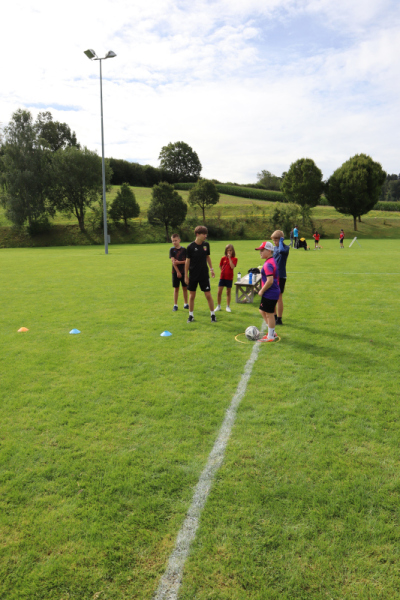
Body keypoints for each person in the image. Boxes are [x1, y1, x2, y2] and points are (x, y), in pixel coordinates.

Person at [185, 225, 216, 323]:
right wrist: (186, 276)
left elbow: (208, 257)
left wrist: (211, 269)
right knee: (192, 296)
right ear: (197, 234)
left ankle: (213, 315)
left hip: (204, 275)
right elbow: (187, 262)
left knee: (208, 295)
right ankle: (191, 316)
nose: (205, 236)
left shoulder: (206, 245)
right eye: (203, 234)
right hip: (193, 275)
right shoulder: (190, 247)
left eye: (206, 234)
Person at [255, 241, 280, 342]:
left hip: (270, 292)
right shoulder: (271, 261)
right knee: (262, 310)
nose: (260, 252)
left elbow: (270, 281)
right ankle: (271, 331)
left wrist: (261, 290)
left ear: (269, 251)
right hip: (272, 292)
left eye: (262, 250)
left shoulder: (268, 264)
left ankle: (270, 336)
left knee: (269, 314)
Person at [271, 230, 289, 326]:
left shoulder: (285, 248)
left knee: (279, 297)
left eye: (276, 240)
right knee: (272, 297)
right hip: (273, 276)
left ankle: (279, 319)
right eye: (273, 240)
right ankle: (274, 316)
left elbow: (281, 251)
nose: (274, 242)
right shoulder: (274, 249)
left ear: (281, 239)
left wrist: (281, 241)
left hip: (281, 276)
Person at [215, 244, 237, 313]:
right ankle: (218, 306)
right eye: (228, 250)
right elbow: (220, 265)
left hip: (229, 278)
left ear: (232, 251)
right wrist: (222, 271)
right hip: (222, 277)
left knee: (228, 292)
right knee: (219, 292)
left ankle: (228, 306)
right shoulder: (223, 258)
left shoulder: (234, 259)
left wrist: (229, 258)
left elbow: (232, 267)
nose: (229, 252)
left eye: (230, 250)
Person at [169, 234, 189, 311]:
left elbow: (187, 261)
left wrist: (179, 262)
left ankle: (186, 304)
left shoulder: (184, 250)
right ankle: (175, 305)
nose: (174, 242)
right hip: (175, 272)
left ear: (179, 240)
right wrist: (178, 272)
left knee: (185, 288)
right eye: (173, 241)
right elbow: (173, 262)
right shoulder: (172, 250)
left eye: (175, 240)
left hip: (184, 271)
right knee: (176, 288)